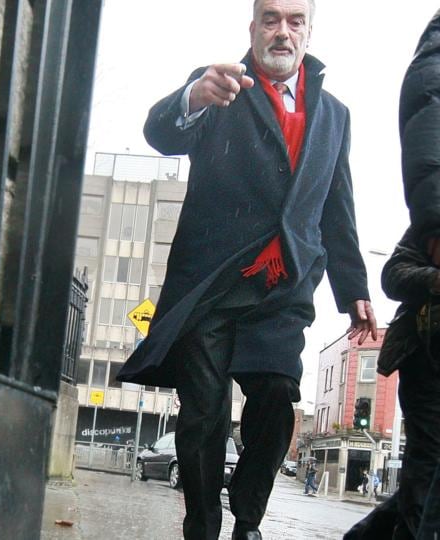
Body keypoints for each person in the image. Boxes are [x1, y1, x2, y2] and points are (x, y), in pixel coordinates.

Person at [116, 1, 378, 539]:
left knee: (278, 396)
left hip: (284, 284)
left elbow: (337, 207)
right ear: (253, 28)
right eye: (271, 19)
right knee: (204, 412)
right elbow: (162, 133)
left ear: (308, 32)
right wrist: (192, 97)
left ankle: (248, 520)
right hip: (213, 281)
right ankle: (202, 526)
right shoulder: (220, 86)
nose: (282, 32)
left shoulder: (335, 115)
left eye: (294, 21)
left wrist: (355, 288)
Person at [345, 11, 440, 539]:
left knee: (422, 486)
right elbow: (394, 274)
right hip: (426, 357)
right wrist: (434, 281)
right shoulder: (429, 225)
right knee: (428, 471)